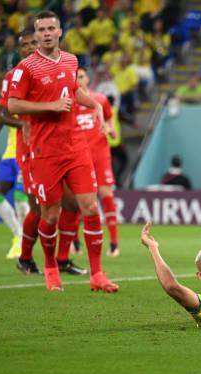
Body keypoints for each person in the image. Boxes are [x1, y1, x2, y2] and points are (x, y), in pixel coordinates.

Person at [7, 10, 118, 292]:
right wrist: (51, 106)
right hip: (45, 151)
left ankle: (97, 274)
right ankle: (50, 266)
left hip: (76, 146)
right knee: (51, 215)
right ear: (36, 34)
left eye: (50, 28)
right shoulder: (26, 68)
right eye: (41, 29)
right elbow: (13, 104)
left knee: (90, 206)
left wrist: (93, 104)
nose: (46, 34)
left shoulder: (70, 60)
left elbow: (73, 90)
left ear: (59, 32)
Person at [0, 28, 36, 261]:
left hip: (31, 148)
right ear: (19, 49)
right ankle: (19, 236)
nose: (28, 48)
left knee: (21, 197)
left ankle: (24, 243)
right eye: (24, 45)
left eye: (32, 43)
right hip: (11, 150)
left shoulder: (41, 76)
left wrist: (21, 122)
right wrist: (1, 102)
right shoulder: (10, 78)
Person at [75, 66, 120, 257]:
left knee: (106, 194)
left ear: (88, 79)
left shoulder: (100, 99)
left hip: (100, 154)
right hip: (78, 156)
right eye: (75, 77)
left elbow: (109, 120)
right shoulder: (69, 102)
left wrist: (110, 129)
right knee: (78, 200)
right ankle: (74, 241)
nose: (79, 79)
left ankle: (114, 243)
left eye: (82, 76)